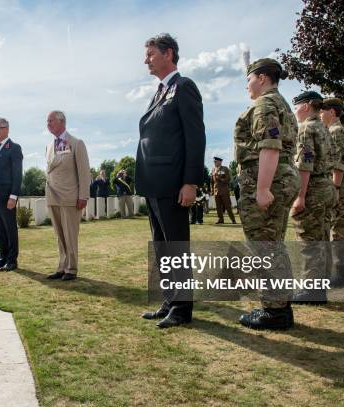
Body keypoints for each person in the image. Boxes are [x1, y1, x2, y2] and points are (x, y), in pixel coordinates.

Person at [137, 33, 205, 329]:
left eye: (150, 53)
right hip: (155, 184)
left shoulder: (184, 87)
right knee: (162, 246)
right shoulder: (160, 91)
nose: (146, 59)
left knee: (176, 247)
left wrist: (191, 182)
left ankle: (182, 308)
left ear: (168, 54)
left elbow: (195, 136)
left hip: (173, 183)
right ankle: (169, 299)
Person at [234, 58, 299, 330]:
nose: (247, 85)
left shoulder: (264, 104)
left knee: (264, 247)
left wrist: (261, 189)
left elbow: (269, 146)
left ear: (261, 77)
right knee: (273, 245)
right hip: (279, 177)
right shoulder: (282, 104)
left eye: (249, 79)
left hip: (265, 180)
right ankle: (280, 306)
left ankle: (273, 311)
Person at [290, 91, 335, 303]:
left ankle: (312, 290)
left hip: (314, 187)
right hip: (326, 185)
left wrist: (300, 196)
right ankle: (320, 287)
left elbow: (305, 165)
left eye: (297, 106)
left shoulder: (307, 128)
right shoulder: (324, 128)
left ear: (307, 105)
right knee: (323, 238)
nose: (295, 111)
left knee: (309, 240)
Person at [45, 110, 91, 281]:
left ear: (61, 122)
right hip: (52, 196)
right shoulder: (49, 146)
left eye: (51, 121)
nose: (48, 124)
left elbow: (84, 172)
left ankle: (71, 268)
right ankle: (62, 267)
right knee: (59, 235)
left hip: (70, 197)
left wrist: (83, 196)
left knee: (70, 235)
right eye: (47, 121)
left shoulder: (76, 143)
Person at [320, 97, 344, 287]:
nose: (320, 114)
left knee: (338, 228)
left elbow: (339, 163)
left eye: (322, 111)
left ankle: (343, 273)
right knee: (343, 227)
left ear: (332, 112)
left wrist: (334, 188)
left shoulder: (335, 132)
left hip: (340, 184)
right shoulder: (341, 131)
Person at [0, 117, 23, 272]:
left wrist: (13, 196)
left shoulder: (14, 148)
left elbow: (17, 174)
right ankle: (2, 259)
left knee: (9, 229)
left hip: (7, 197)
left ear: (6, 129)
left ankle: (12, 261)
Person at [211, 156, 236, 224]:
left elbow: (228, 179)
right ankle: (220, 219)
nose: (214, 163)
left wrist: (220, 179)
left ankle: (233, 219)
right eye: (214, 162)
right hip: (216, 190)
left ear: (220, 162)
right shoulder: (213, 170)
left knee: (227, 205)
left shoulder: (225, 168)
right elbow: (212, 181)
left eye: (216, 161)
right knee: (218, 207)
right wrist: (212, 190)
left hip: (224, 190)